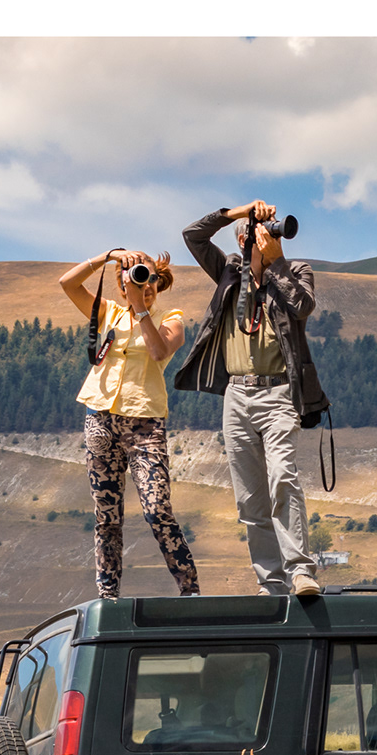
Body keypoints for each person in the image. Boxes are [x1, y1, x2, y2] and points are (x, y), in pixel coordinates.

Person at [176, 200, 330, 596]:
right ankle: (271, 582)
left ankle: (300, 572)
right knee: (249, 499)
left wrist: (276, 263)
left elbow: (302, 306)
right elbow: (192, 235)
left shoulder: (295, 271)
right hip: (237, 395)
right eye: (255, 232)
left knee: (283, 479)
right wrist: (235, 211)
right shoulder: (228, 272)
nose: (263, 236)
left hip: (278, 392)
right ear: (242, 239)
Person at [58, 248, 200, 599]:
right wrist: (107, 257)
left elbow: (158, 351)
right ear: (122, 285)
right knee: (107, 516)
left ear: (159, 281)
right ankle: (108, 594)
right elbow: (67, 283)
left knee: (157, 509)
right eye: (134, 277)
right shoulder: (108, 312)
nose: (143, 284)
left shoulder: (172, 318)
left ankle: (189, 589)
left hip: (145, 425)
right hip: (100, 419)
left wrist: (140, 309)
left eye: (148, 277)